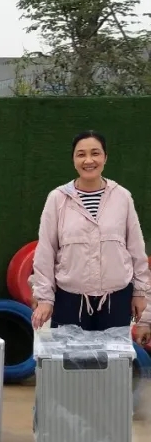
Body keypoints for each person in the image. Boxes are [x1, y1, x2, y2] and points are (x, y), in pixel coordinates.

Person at [30, 130, 151, 341]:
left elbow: (136, 249)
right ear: (73, 160)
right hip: (69, 301)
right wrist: (45, 298)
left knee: (112, 359)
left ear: (105, 157)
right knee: (71, 359)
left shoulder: (122, 197)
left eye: (95, 153)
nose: (88, 160)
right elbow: (45, 252)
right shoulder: (57, 199)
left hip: (116, 300)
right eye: (81, 154)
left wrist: (140, 293)